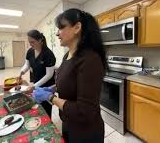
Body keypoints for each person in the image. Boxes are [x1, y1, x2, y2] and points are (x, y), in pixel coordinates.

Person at [32, 8, 107, 143]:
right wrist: (54, 88)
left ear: (77, 27)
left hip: (86, 132)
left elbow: (84, 111)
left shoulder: (90, 59)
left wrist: (50, 97)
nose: (57, 33)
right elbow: (70, 80)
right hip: (68, 122)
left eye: (61, 27)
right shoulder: (68, 55)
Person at [18, 30, 56, 116]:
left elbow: (49, 75)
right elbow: (27, 64)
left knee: (46, 109)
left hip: (48, 86)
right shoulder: (30, 51)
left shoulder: (48, 54)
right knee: (38, 106)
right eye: (29, 42)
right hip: (36, 83)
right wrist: (21, 72)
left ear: (40, 40)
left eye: (32, 42)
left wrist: (34, 86)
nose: (30, 44)